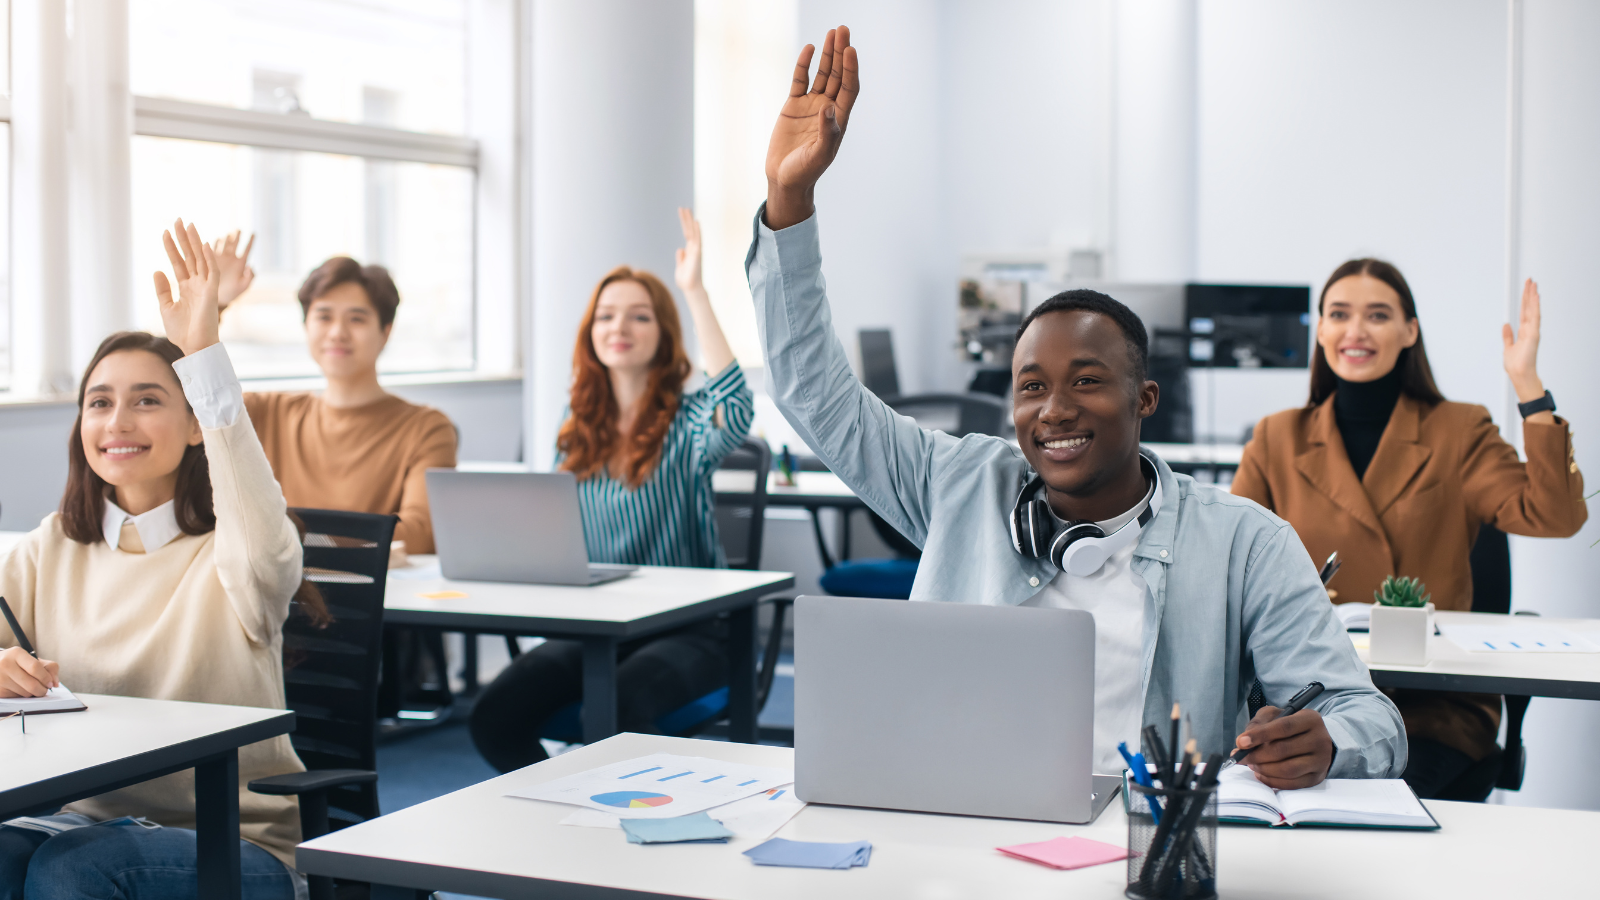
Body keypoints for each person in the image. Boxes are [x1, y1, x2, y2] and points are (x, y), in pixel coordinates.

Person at [748, 26, 1404, 787]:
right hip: (957, 828)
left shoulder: (1244, 544)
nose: (1054, 409)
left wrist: (1328, 742)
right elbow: (811, 391)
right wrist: (789, 200)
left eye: (1087, 380)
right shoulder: (958, 485)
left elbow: (1369, 715)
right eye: (1031, 386)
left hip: (1142, 844)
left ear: (1144, 399)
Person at [0, 221, 321, 899]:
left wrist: (202, 348)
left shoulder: (238, 555)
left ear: (196, 423)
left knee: (73, 873)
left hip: (231, 840)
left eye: (148, 400)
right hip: (70, 820)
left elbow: (251, 504)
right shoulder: (48, 547)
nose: (118, 422)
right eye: (99, 402)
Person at [1232, 260, 1586, 800]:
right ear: (1321, 330)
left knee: (1374, 811)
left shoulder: (1459, 428)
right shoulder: (1276, 437)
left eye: (1378, 315)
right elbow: (1227, 566)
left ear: (1410, 332)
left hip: (1431, 710)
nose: (1356, 331)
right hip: (1308, 703)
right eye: (1339, 314)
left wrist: (1528, 386)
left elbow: (1555, 515)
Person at [469, 209, 753, 772]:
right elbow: (553, 528)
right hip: (598, 627)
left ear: (663, 333)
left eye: (639, 316)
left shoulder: (690, 421)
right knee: (493, 717)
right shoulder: (577, 424)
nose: (618, 327)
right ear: (590, 333)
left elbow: (736, 408)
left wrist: (693, 291)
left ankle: (642, 829)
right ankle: (564, 816)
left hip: (689, 630)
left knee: (618, 706)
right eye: (606, 316)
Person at [211, 233, 458, 557]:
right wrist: (214, 305)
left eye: (357, 318)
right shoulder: (266, 412)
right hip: (278, 596)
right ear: (306, 326)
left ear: (386, 332)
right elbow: (178, 401)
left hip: (372, 600)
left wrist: (282, 537)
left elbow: (419, 536)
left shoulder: (426, 427)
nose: (337, 332)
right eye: (324, 316)